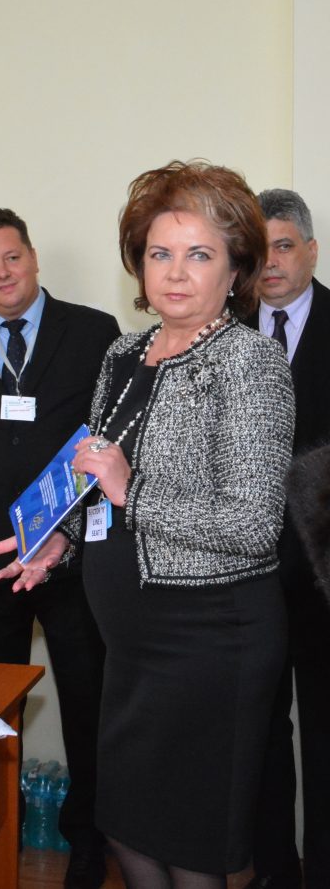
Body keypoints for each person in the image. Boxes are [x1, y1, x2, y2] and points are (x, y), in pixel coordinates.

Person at [0, 161, 295, 888]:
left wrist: (134, 488)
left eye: (200, 254)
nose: (176, 273)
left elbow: (253, 523)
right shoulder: (123, 353)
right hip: (130, 645)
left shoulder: (251, 363)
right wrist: (61, 540)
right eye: (161, 252)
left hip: (211, 641)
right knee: (127, 832)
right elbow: (99, 479)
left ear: (236, 269)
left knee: (191, 852)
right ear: (139, 262)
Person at [0, 208, 120, 889]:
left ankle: (88, 841)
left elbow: (110, 429)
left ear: (33, 257)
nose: (2, 273)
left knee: (87, 698)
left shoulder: (94, 331)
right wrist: (1, 493)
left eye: (12, 257)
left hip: (74, 553)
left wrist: (58, 519)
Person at [246, 188, 330, 889]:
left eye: (283, 246)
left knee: (327, 731)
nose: (270, 262)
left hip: (326, 572)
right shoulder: (224, 332)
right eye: (260, 248)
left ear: (311, 251)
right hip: (248, 570)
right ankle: (275, 870)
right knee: (262, 729)